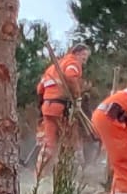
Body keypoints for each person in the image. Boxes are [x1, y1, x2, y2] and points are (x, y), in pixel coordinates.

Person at [34, 44, 90, 185]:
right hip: (62, 108)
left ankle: (39, 176)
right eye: (84, 57)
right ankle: (77, 175)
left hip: (48, 108)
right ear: (77, 53)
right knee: (72, 141)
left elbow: (40, 88)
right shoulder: (72, 63)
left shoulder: (53, 67)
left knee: (49, 144)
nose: (84, 61)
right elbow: (71, 77)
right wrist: (77, 97)